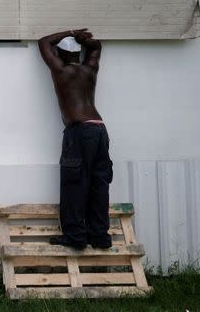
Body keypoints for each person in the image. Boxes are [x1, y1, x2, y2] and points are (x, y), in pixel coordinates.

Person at [39, 28, 113, 250]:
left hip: (79, 131)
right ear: (78, 54)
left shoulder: (61, 71)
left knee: (74, 184)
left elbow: (43, 42)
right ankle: (99, 236)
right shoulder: (90, 69)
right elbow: (97, 47)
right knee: (99, 185)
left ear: (60, 55)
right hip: (100, 129)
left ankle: (75, 236)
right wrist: (87, 40)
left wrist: (71, 32)